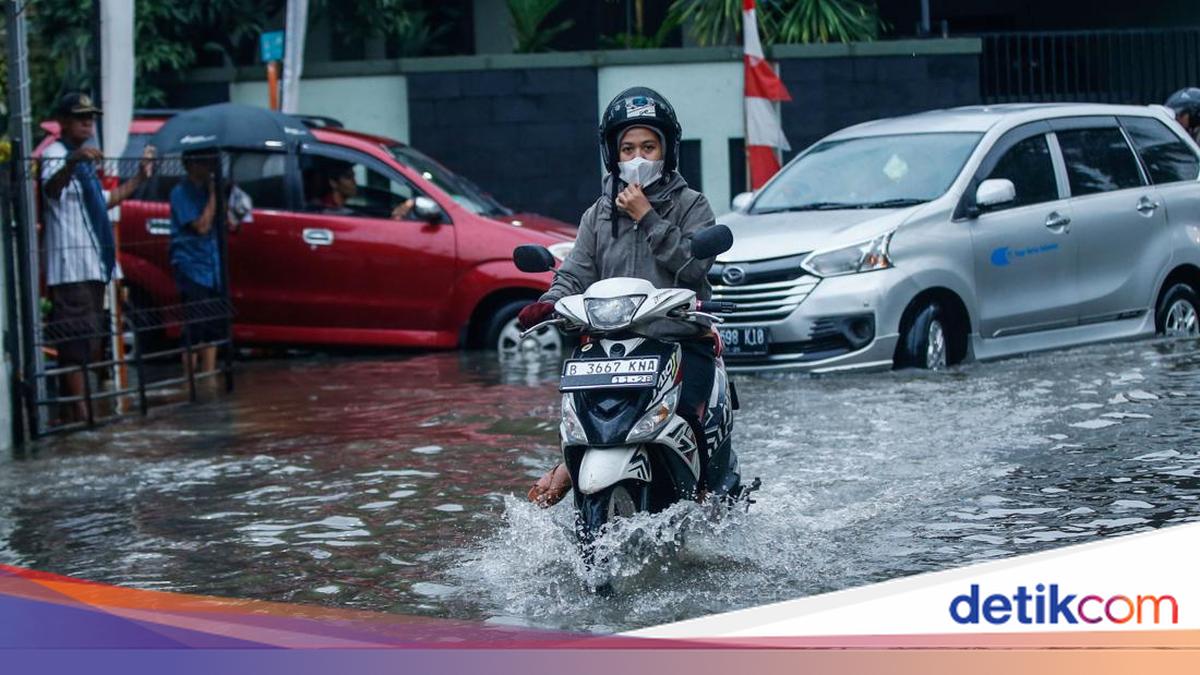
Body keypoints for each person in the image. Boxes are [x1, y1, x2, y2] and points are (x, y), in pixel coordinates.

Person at [521, 86, 741, 508]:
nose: (637, 157)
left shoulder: (692, 205)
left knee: (692, 413)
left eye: (648, 146)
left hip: (677, 339)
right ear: (613, 155)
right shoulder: (597, 215)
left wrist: (648, 217)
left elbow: (694, 269)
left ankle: (704, 495)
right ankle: (574, 460)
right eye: (627, 148)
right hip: (608, 348)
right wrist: (547, 303)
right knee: (577, 414)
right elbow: (575, 272)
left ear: (667, 150)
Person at [40, 92, 155, 422]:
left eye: (91, 116)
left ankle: (72, 412)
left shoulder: (85, 164)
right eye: (80, 117)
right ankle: (80, 413)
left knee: (87, 340)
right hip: (71, 268)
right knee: (74, 342)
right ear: (62, 122)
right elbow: (51, 189)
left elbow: (104, 200)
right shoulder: (55, 155)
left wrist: (139, 178)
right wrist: (73, 162)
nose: (88, 122)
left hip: (93, 266)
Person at [169, 150, 231, 378]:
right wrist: (214, 195)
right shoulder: (181, 193)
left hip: (213, 266)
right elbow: (202, 226)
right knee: (195, 325)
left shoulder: (207, 192)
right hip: (192, 266)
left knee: (213, 326)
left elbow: (225, 222)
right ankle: (190, 379)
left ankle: (209, 376)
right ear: (191, 165)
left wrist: (220, 197)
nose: (209, 168)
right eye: (204, 162)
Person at [318, 159, 413, 220]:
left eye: (354, 176)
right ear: (333, 183)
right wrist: (394, 219)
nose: (355, 181)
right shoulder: (329, 211)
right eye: (348, 177)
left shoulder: (339, 207)